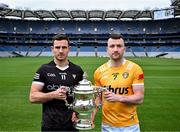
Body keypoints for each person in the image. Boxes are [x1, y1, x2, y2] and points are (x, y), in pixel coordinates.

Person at [29, 34, 84, 131]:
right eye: (57, 47)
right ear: (52, 49)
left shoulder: (78, 71)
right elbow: (32, 97)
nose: (61, 51)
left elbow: (83, 97)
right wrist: (53, 94)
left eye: (64, 47)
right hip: (50, 125)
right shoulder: (43, 70)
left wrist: (78, 111)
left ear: (69, 49)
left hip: (72, 125)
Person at [93, 34, 144, 132]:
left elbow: (139, 98)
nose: (115, 49)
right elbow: (98, 99)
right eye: (112, 46)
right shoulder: (99, 71)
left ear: (124, 49)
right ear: (107, 49)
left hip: (130, 126)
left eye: (119, 46)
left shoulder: (135, 69)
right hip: (107, 126)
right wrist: (91, 116)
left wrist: (118, 97)